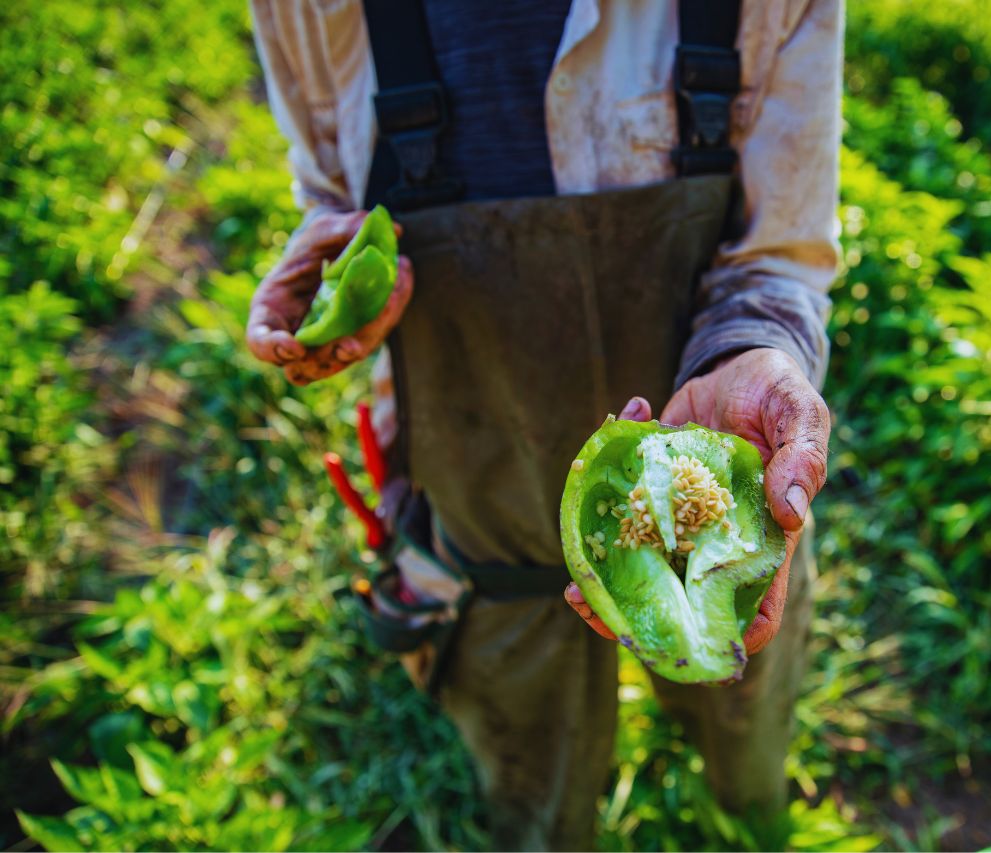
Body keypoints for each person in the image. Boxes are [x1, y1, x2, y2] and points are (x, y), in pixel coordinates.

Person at [245, 1, 841, 849]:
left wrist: (753, 345)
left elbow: (779, 250)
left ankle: (751, 821)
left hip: (724, 435)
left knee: (744, 729)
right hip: (478, 485)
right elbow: (335, 188)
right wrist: (337, 273)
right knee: (530, 774)